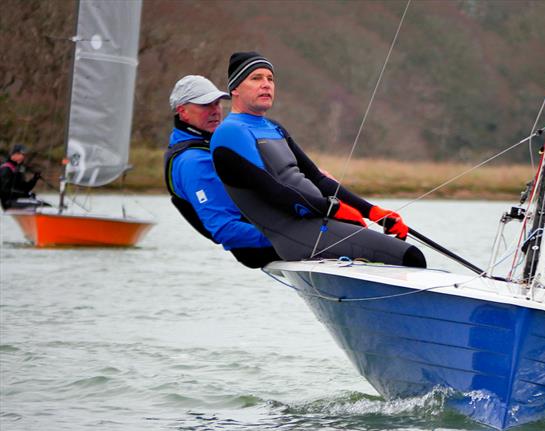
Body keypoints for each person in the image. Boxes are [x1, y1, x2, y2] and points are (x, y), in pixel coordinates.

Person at [210, 51, 426, 268]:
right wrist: (333, 208)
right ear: (235, 88)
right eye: (256, 78)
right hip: (297, 234)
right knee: (411, 257)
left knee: (399, 251)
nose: (266, 84)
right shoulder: (230, 133)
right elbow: (272, 191)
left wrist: (372, 211)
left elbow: (318, 179)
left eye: (270, 79)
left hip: (321, 222)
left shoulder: (274, 128)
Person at [164, 75, 280, 268]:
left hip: (277, 231)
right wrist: (288, 237)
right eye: (205, 105)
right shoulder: (193, 161)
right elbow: (224, 229)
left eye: (217, 104)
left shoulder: (210, 144)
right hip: (262, 247)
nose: (215, 111)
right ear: (182, 112)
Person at [0, 145, 45, 210]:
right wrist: (25, 195)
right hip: (9, 203)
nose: (24, 157)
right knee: (42, 207)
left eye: (24, 155)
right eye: (22, 154)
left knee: (44, 204)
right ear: (14, 154)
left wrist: (34, 179)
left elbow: (25, 188)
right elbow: (3, 191)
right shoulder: (6, 169)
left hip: (18, 200)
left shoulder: (17, 169)